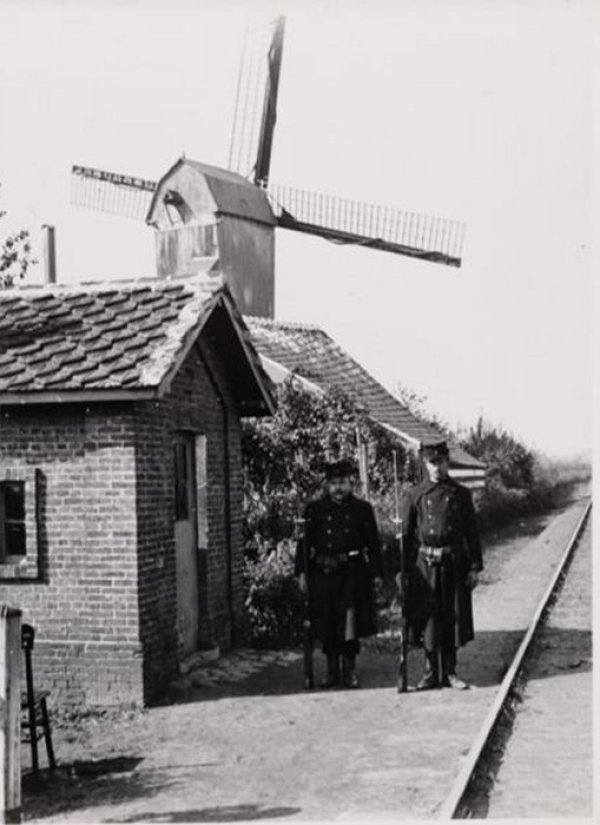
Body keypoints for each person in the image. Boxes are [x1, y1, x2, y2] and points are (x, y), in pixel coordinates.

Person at [399, 439, 482, 690]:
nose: (438, 467)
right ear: (425, 464)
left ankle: (450, 672)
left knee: (451, 616)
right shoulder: (415, 495)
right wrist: (401, 571)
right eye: (432, 463)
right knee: (428, 619)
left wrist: (475, 566)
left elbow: (472, 533)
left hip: (454, 563)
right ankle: (429, 672)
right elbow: (405, 535)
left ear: (448, 463)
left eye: (442, 462)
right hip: (424, 565)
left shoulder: (460, 494)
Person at [296, 460, 383, 688]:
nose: (338, 488)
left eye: (342, 482)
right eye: (334, 483)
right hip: (323, 572)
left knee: (349, 624)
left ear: (350, 483)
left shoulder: (362, 509)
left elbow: (373, 544)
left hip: (352, 572)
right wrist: (303, 574)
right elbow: (303, 546)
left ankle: (350, 670)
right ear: (326, 485)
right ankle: (331, 671)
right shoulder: (314, 510)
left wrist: (376, 574)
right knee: (327, 622)